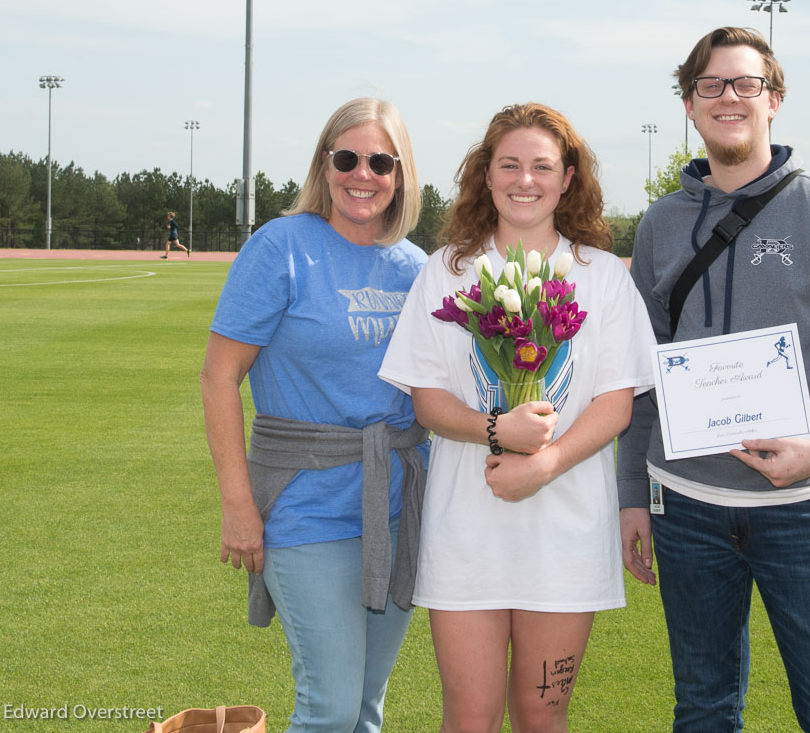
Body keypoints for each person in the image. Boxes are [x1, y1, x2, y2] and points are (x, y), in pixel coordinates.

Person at [618, 27, 810, 733]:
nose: (729, 97)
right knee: (705, 709)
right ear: (690, 105)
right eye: (711, 85)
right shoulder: (661, 225)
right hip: (685, 506)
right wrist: (633, 495)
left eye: (745, 83)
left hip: (804, 506)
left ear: (773, 99)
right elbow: (641, 373)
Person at [378, 102, 655, 733]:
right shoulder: (445, 271)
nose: (524, 179)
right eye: (508, 165)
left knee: (541, 713)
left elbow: (615, 403)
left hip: (564, 536)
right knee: (469, 717)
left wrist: (546, 463)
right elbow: (428, 399)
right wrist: (498, 432)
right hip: (465, 534)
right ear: (485, 176)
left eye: (541, 166)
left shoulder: (604, 276)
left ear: (567, 179)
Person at [201, 97, 429, 733]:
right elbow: (219, 377)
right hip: (306, 506)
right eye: (348, 158)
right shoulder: (280, 247)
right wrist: (239, 505)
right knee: (328, 707)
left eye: (380, 161)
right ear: (324, 164)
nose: (364, 174)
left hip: (395, 505)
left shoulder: (417, 267)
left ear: (401, 173)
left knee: (363, 706)